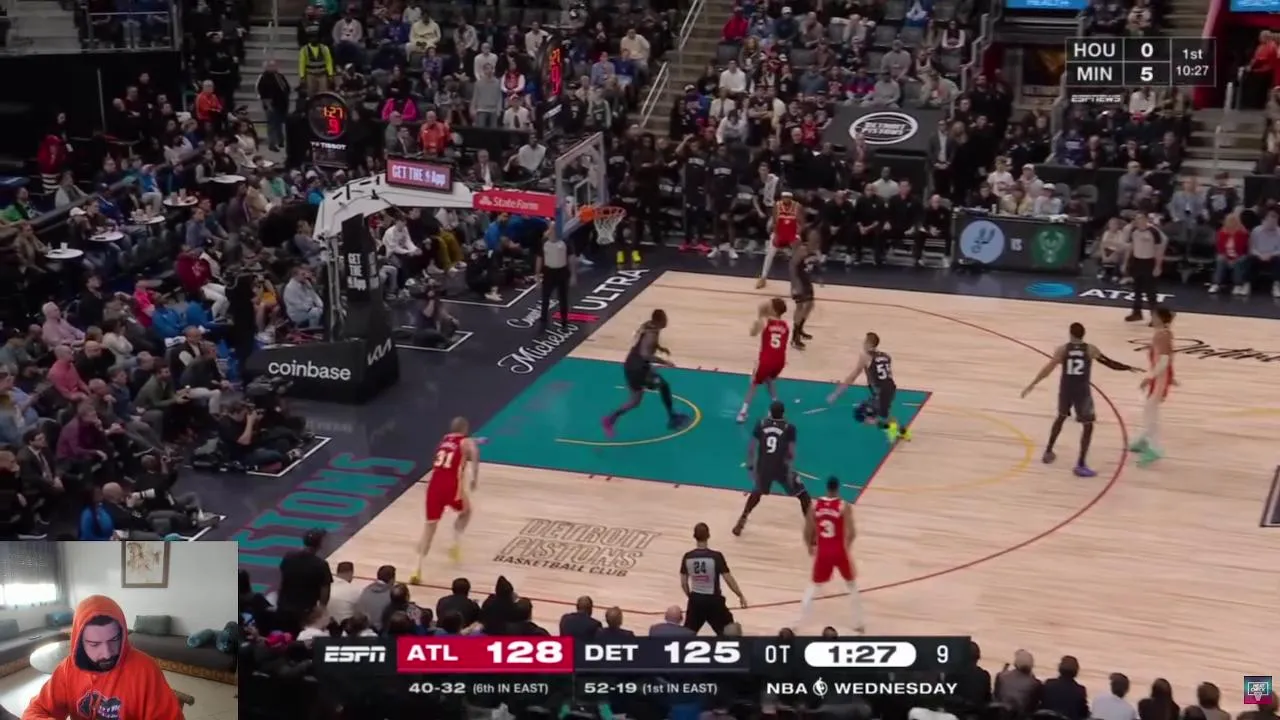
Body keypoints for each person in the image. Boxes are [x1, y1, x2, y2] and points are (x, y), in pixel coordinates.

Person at [22, 594, 181, 720]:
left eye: (114, 640)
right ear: (79, 642)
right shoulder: (67, 669)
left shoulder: (146, 670)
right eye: (94, 644)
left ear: (123, 634)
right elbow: (34, 711)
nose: (107, 653)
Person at [1020, 322, 1140, 477]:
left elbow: (1048, 369)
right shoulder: (1090, 349)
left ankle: (1048, 451)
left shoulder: (1062, 349)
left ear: (1070, 334)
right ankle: (1080, 464)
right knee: (1088, 426)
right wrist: (1127, 367)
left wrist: (1033, 384)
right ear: (1084, 334)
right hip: (1082, 392)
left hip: (1066, 390)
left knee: (1061, 418)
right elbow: (1109, 363)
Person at [410, 417, 480, 584]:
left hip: (433, 486)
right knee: (467, 512)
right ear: (465, 429)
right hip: (451, 486)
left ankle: (416, 569)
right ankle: (455, 543)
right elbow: (475, 456)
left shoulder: (444, 439)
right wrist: (474, 479)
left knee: (429, 528)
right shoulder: (466, 442)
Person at [601, 310, 688, 437]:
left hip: (631, 365)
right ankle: (672, 418)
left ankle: (609, 419)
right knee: (663, 386)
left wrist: (660, 348)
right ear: (660, 320)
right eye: (665, 318)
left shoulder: (650, 326)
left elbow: (645, 344)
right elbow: (645, 354)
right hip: (638, 369)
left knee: (635, 401)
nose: (667, 321)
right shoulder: (652, 334)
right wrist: (664, 362)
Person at [734, 400, 812, 536]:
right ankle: (812, 529)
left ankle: (742, 519)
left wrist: (750, 466)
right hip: (782, 467)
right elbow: (791, 453)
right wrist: (790, 470)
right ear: (783, 413)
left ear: (770, 412)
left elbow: (752, 447)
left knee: (757, 493)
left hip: (764, 467)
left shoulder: (761, 424)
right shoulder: (789, 427)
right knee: (803, 495)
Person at [796, 476, 863, 634]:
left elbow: (807, 530)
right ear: (838, 488)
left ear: (826, 488)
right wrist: (847, 549)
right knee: (852, 586)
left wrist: (809, 546)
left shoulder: (815, 506)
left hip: (823, 552)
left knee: (813, 587)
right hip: (839, 550)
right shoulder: (843, 505)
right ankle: (858, 624)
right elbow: (852, 533)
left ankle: (798, 622)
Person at [827, 332, 912, 442]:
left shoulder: (865, 356)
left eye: (864, 341)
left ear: (868, 343)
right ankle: (903, 432)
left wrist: (836, 393)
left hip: (880, 391)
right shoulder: (886, 356)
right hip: (891, 388)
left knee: (861, 414)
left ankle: (892, 429)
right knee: (886, 413)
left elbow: (853, 376)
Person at [679, 522, 747, 635]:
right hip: (714, 601)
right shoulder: (716, 557)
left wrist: (691, 596)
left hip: (696, 601)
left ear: (694, 536)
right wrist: (739, 595)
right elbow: (728, 579)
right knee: (729, 632)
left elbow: (683, 583)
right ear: (708, 535)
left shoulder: (688, 557)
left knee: (687, 634)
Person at [1131, 308, 1176, 467]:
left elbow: (1164, 360)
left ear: (1161, 318)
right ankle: (1143, 440)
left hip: (1159, 378)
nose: (1152, 318)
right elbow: (1170, 357)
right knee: (1149, 409)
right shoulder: (1164, 333)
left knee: (1150, 411)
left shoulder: (1162, 335)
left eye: (1154, 316)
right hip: (1160, 376)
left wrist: (1149, 377)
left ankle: (1154, 448)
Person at [737, 298, 790, 422]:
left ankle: (743, 413)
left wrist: (759, 317)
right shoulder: (785, 326)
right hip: (780, 361)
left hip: (766, 360)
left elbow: (752, 333)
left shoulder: (765, 321)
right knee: (770, 380)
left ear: (773, 310)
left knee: (753, 384)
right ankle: (777, 409)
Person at [756, 190, 800, 288]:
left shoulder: (797, 207)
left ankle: (798, 280)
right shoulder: (777, 206)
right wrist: (774, 234)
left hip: (792, 233)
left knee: (798, 255)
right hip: (779, 233)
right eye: (784, 197)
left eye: (788, 197)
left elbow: (800, 223)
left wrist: (797, 234)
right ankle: (763, 277)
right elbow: (772, 223)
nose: (786, 199)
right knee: (769, 254)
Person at [537, 225, 573, 333]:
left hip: (562, 272)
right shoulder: (544, 242)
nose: (552, 231)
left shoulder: (565, 241)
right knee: (545, 297)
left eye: (554, 229)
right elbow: (539, 258)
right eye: (551, 229)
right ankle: (543, 319)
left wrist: (573, 275)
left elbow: (571, 258)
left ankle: (564, 321)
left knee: (563, 298)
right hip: (548, 272)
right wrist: (537, 276)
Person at [788, 231, 820, 350]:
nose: (816, 240)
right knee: (800, 307)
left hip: (806, 281)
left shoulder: (815, 251)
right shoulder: (802, 250)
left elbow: (813, 266)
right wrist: (794, 285)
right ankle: (794, 337)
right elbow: (792, 267)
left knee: (810, 305)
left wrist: (818, 277)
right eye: (814, 238)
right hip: (799, 281)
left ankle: (800, 328)